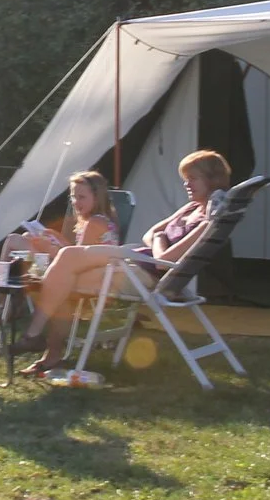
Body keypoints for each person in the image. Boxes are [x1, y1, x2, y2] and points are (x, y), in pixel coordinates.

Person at [22, 150, 230, 375]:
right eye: (185, 179)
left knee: (63, 273)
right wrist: (159, 238)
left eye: (193, 178)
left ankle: (37, 340)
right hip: (136, 263)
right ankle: (45, 348)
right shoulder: (190, 208)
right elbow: (150, 233)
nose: (187, 184)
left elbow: (163, 262)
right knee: (63, 276)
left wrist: (159, 241)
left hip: (145, 273)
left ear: (211, 179)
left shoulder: (206, 220)